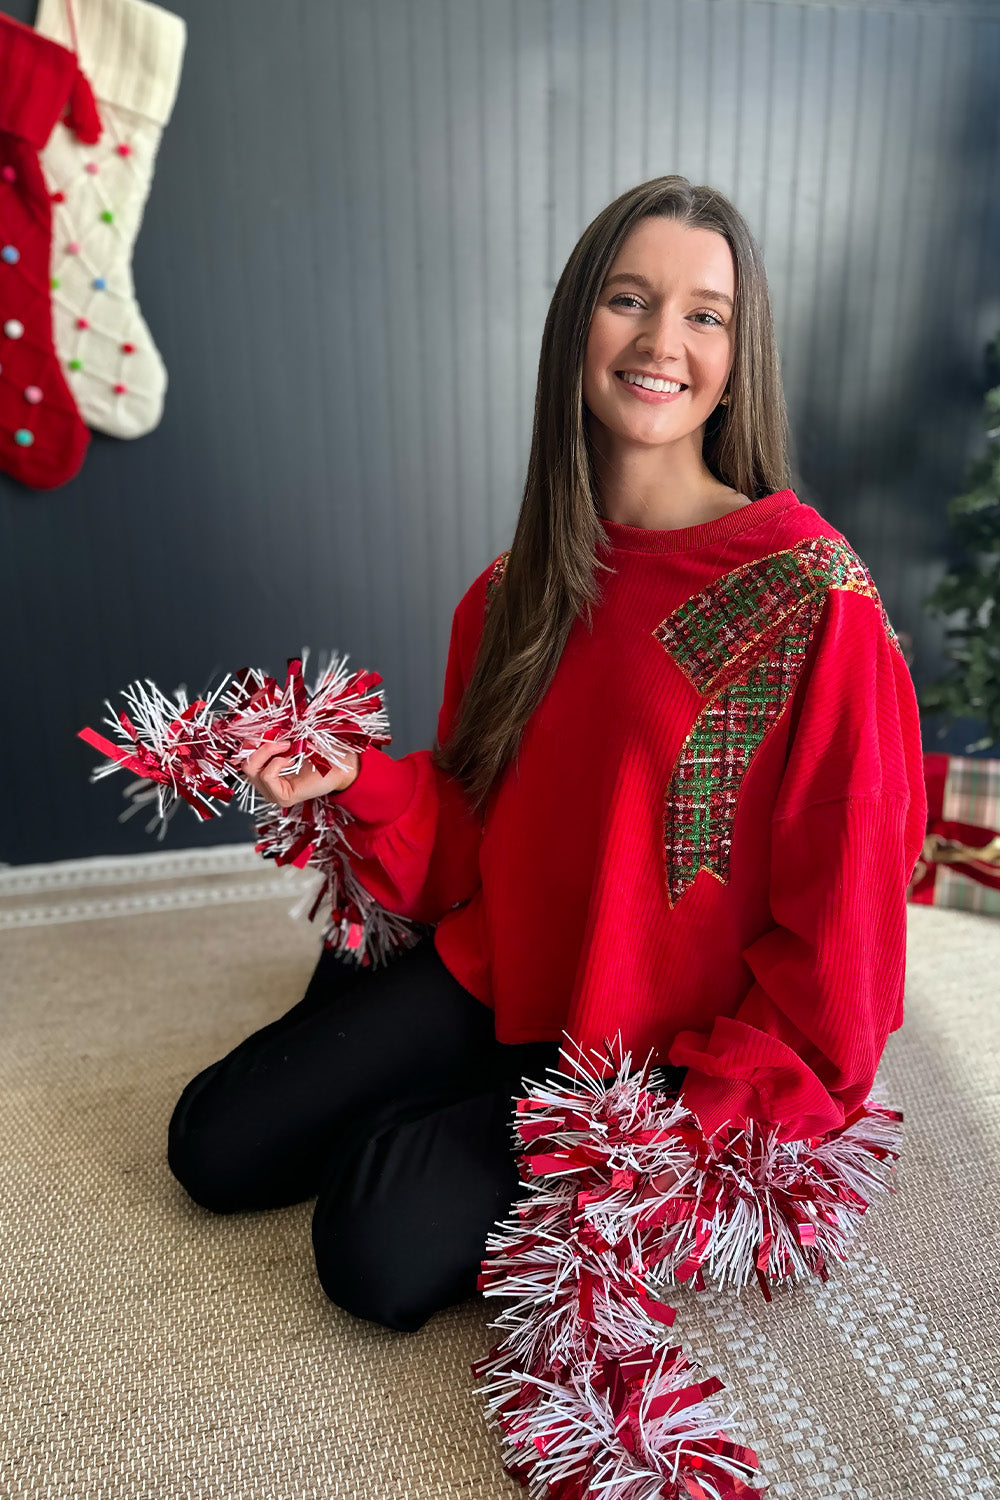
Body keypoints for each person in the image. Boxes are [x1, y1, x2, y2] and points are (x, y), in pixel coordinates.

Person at [167, 175, 927, 1339]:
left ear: (740, 348)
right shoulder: (517, 585)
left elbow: (844, 937)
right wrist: (357, 783)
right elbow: (474, 824)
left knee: (371, 1254)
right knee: (210, 1146)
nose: (662, 341)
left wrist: (713, 1113)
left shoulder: (812, 598)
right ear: (579, 326)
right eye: (629, 299)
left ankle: (435, 1100)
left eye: (704, 313)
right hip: (503, 970)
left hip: (651, 1061)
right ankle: (416, 1062)